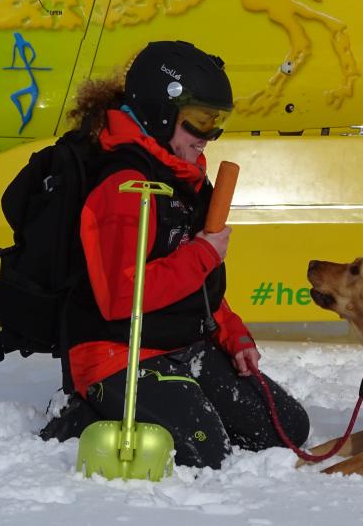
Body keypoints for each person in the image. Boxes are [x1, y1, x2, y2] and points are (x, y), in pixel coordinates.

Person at [40, 40, 309, 469]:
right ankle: (78, 413)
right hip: (115, 353)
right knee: (206, 450)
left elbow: (197, 288)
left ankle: (179, 390)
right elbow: (121, 296)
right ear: (161, 112)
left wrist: (232, 333)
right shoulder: (126, 186)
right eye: (200, 121)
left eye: (217, 122)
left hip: (179, 343)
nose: (210, 136)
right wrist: (203, 252)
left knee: (286, 428)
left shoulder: (186, 182)